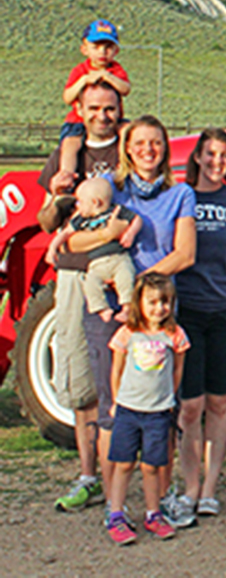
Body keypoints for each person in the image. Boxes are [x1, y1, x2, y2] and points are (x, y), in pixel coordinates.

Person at [109, 115, 198, 528]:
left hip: (159, 310)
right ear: (128, 147)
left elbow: (184, 253)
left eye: (156, 143)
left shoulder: (180, 194)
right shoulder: (113, 190)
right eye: (140, 143)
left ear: (165, 150)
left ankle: (157, 502)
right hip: (117, 310)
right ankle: (113, 503)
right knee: (118, 406)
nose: (148, 149)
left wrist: (143, 295)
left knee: (164, 411)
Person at [42, 81, 123, 513]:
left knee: (128, 376)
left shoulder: (128, 149)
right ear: (82, 109)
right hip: (75, 276)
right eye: (94, 108)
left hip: (120, 277)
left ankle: (129, 474)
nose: (102, 115)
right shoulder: (66, 155)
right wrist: (57, 193)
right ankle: (88, 475)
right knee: (82, 381)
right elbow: (44, 220)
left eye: (109, 108)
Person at [172, 128, 226, 521]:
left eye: (224, 155)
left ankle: (210, 488)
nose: (217, 161)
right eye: (210, 154)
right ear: (197, 156)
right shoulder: (182, 197)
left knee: (220, 402)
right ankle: (189, 485)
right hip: (188, 312)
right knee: (189, 406)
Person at [104, 274, 188, 545]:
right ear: (139, 302)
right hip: (129, 410)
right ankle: (116, 514)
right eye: (151, 302)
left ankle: (153, 513)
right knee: (124, 463)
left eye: (165, 302)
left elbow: (177, 370)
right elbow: (116, 369)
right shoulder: (127, 334)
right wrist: (117, 401)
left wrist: (168, 398)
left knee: (152, 465)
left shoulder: (174, 335)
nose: (158, 308)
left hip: (159, 412)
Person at [44, 177, 141, 322]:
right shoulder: (81, 220)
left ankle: (127, 309)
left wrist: (130, 234)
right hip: (97, 264)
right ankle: (102, 308)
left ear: (95, 202)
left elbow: (136, 219)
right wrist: (52, 248)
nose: (77, 206)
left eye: (80, 202)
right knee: (90, 283)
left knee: (126, 278)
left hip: (119, 258)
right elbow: (65, 233)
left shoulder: (116, 211)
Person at [58, 19, 131, 189]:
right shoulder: (80, 70)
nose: (102, 52)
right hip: (78, 121)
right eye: (96, 47)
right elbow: (68, 97)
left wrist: (108, 76)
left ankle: (124, 164)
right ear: (84, 49)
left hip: (111, 121)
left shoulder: (116, 70)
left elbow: (126, 89)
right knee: (70, 143)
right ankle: (66, 175)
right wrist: (84, 81)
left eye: (108, 47)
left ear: (116, 50)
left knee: (128, 131)